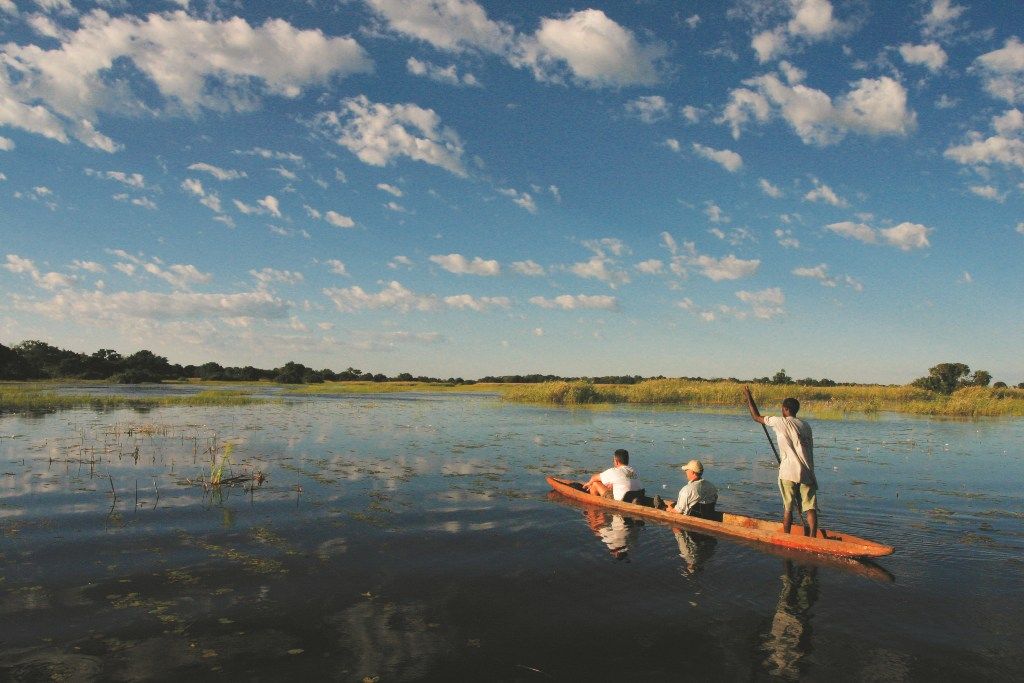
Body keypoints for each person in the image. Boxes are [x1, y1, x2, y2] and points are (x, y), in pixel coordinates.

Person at [743, 386, 818, 537]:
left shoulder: (780, 422)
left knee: (788, 507)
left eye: (782, 409)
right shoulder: (805, 425)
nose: (781, 411)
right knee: (810, 507)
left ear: (785, 409)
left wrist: (748, 397)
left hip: (788, 472)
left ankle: (786, 536)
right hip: (807, 472)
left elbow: (756, 417)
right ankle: (813, 537)